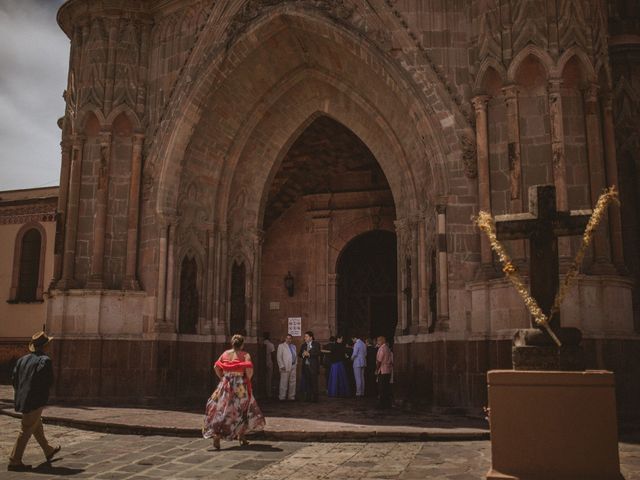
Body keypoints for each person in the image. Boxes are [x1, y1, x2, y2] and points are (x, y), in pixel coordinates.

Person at [8, 331, 61, 472]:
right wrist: (40, 396)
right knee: (25, 430)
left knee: (36, 425)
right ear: (45, 346)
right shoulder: (45, 360)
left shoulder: (22, 360)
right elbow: (47, 381)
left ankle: (48, 450)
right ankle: (14, 460)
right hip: (35, 400)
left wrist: (21, 393)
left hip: (23, 399)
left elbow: (14, 379)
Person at [203, 335, 266, 450]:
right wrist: (247, 380)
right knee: (243, 408)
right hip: (239, 385)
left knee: (222, 408)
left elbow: (216, 366)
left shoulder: (225, 354)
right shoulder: (245, 355)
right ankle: (241, 435)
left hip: (225, 384)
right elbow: (249, 370)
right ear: (242, 344)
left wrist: (222, 377)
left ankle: (218, 434)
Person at [299, 331, 320, 402]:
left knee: (314, 382)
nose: (305, 338)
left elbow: (317, 353)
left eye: (306, 336)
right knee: (307, 382)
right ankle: (308, 398)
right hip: (305, 367)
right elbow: (299, 354)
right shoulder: (303, 345)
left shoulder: (316, 344)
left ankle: (315, 398)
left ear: (311, 337)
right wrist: (303, 354)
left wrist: (309, 354)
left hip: (313, 366)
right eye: (304, 337)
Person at [276, 335, 297, 401]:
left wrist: (296, 363)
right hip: (285, 366)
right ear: (285, 339)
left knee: (292, 382)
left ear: (291, 339)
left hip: (293, 365)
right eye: (287, 338)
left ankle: (291, 397)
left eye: (290, 338)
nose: (288, 340)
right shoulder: (281, 346)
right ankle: (282, 397)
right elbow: (279, 357)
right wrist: (281, 366)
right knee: (283, 382)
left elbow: (295, 355)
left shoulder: (294, 346)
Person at [375, 335, 393, 409]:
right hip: (388, 370)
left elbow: (379, 360)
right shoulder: (387, 348)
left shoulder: (382, 349)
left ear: (382, 341)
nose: (377, 342)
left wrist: (376, 369)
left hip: (382, 369)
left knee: (381, 388)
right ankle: (387, 404)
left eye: (378, 340)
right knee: (386, 387)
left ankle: (381, 404)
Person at [351, 333, 367, 398]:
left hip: (357, 362)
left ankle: (358, 393)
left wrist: (351, 358)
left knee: (358, 378)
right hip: (363, 362)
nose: (352, 341)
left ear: (354, 338)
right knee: (362, 378)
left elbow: (354, 354)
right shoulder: (363, 344)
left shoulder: (356, 344)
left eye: (352, 339)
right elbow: (365, 354)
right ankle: (362, 392)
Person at [263, 332, 275, 398]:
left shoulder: (262, 344)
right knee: (269, 379)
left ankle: (263, 393)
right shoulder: (271, 345)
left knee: (263, 378)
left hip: (262, 363)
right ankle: (269, 394)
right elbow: (273, 355)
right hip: (269, 362)